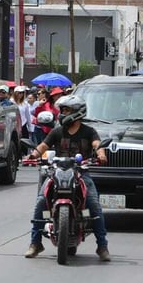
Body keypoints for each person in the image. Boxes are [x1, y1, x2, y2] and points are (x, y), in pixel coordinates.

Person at [23, 96, 110, 262]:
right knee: (41, 201)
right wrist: (33, 155)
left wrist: (101, 154)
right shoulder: (57, 131)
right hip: (57, 172)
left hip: (80, 172)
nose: (62, 113)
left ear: (78, 112)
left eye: (66, 110)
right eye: (62, 110)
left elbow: (97, 144)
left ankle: (102, 245)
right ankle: (35, 243)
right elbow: (43, 146)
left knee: (94, 204)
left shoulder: (88, 131)